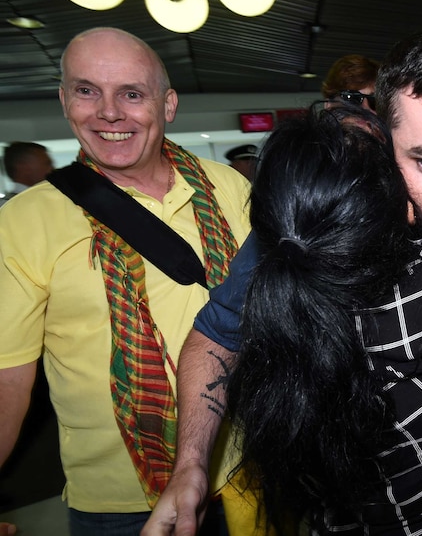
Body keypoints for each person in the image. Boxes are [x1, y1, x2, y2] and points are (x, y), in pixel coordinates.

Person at [143, 28, 422, 536]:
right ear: (380, 135)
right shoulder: (320, 229)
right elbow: (216, 334)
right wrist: (190, 467)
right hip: (360, 519)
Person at [0, 27, 250, 536]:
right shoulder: (24, 221)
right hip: (123, 501)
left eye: (132, 94)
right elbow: (7, 378)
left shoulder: (228, 186)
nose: (109, 113)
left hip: (249, 465)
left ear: (168, 104)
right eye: (87, 90)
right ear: (65, 100)